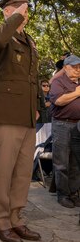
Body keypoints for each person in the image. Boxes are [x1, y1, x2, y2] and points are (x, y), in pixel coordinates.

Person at [0, 0, 41, 242]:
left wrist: (37, 105)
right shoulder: (1, 36)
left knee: (21, 172)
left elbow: (33, 78)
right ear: (8, 11)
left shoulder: (29, 41)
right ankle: (1, 222)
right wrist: (14, 18)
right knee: (3, 171)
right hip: (6, 113)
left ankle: (16, 219)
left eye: (26, 9)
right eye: (19, 8)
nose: (25, 13)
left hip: (27, 115)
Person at [49, 54, 80, 208]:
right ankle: (63, 194)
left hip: (77, 126)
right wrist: (77, 92)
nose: (78, 69)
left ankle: (74, 194)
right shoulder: (58, 81)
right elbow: (59, 100)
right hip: (61, 125)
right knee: (62, 162)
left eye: (79, 67)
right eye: (75, 67)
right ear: (66, 67)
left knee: (75, 162)